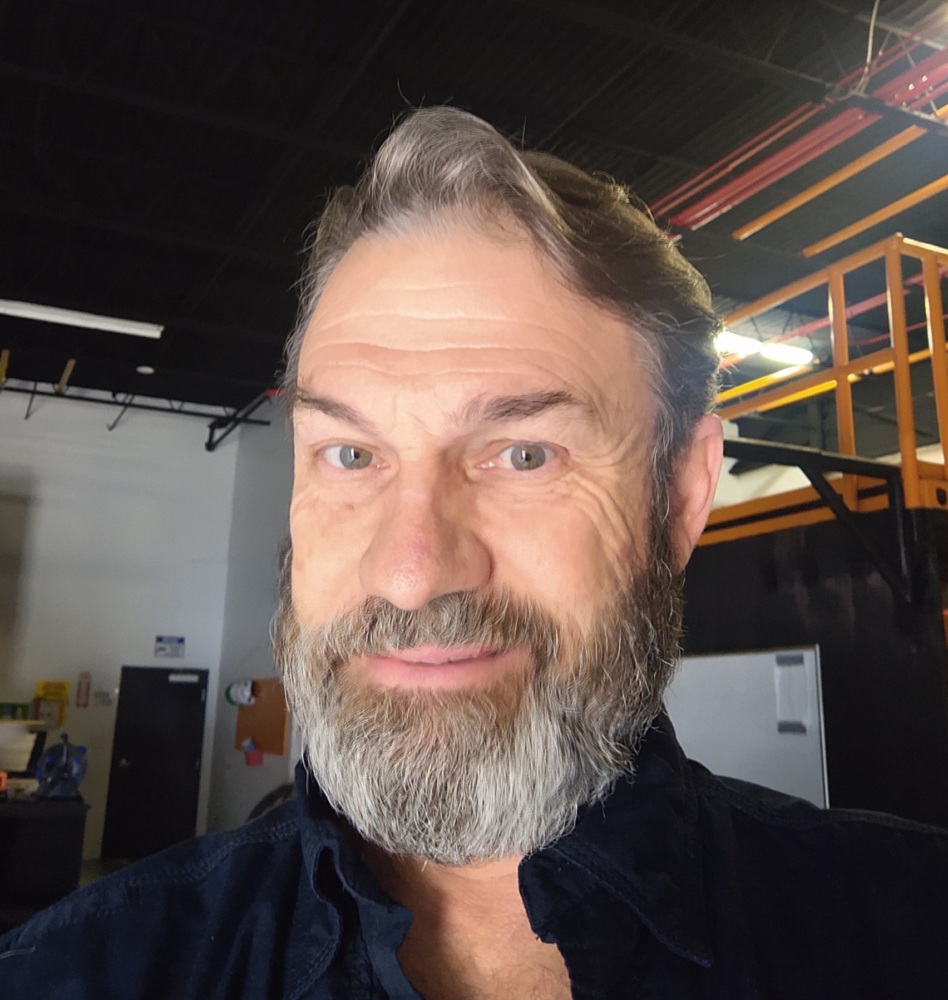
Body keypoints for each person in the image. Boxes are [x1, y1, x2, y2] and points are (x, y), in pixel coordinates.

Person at [2, 107, 947, 999]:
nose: (411, 570)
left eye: (523, 454)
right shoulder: (73, 970)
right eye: (352, 453)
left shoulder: (902, 935)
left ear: (682, 494)